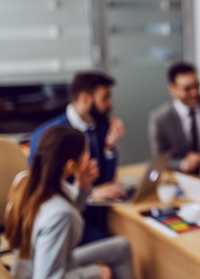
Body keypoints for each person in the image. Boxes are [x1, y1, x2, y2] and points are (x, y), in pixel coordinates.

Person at [5, 126, 144, 279]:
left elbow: (60, 212)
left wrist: (82, 186)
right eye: (84, 153)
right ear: (70, 165)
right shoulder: (60, 212)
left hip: (34, 270)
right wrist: (94, 274)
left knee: (121, 247)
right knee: (107, 264)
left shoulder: (26, 181)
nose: (89, 157)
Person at [28, 70, 127, 244]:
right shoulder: (49, 135)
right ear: (85, 99)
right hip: (65, 216)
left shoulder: (101, 127)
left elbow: (105, 179)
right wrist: (89, 194)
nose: (110, 104)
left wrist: (110, 147)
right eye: (105, 98)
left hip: (95, 211)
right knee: (117, 246)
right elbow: (42, 190)